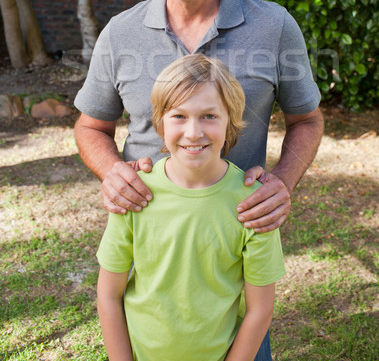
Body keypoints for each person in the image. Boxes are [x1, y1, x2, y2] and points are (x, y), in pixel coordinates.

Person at [74, 0, 324, 360]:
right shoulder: (119, 33)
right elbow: (90, 127)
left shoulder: (273, 26)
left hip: (233, 246)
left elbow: (307, 120)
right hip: (152, 247)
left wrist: (282, 183)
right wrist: (113, 173)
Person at [96, 54, 286, 361]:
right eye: (179, 116)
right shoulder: (135, 194)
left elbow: (260, 309)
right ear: (160, 122)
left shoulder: (252, 204)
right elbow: (108, 294)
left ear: (231, 121)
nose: (194, 132)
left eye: (209, 116)